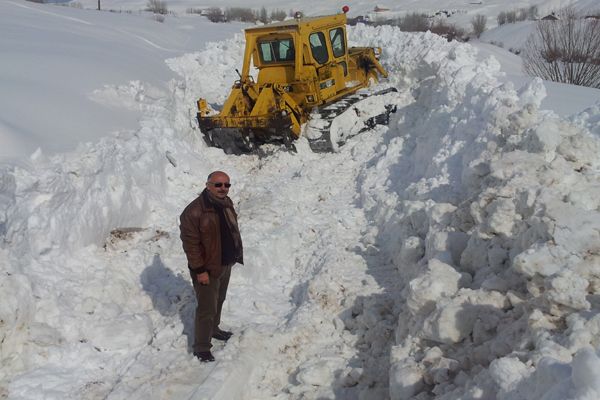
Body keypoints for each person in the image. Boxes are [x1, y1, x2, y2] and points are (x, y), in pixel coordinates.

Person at [179, 171, 243, 362]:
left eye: (226, 185)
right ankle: (202, 347)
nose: (223, 188)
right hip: (207, 268)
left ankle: (214, 329)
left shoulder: (226, 203)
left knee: (219, 300)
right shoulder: (193, 212)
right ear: (207, 185)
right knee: (206, 308)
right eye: (218, 185)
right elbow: (191, 245)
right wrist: (200, 270)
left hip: (225, 262)